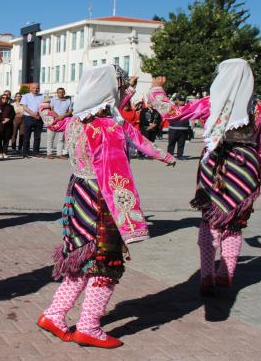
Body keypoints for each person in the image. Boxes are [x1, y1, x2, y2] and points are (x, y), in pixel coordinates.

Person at [37, 65, 175, 349]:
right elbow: (116, 177)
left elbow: (51, 120)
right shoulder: (108, 128)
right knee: (105, 262)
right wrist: (130, 220)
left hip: (77, 194)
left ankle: (54, 314)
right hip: (101, 199)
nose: (122, 91)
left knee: (80, 257)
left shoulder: (76, 121)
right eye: (119, 87)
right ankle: (88, 326)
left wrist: (45, 103)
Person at [148, 58, 261, 297]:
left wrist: (157, 90)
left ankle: (207, 274)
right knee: (235, 223)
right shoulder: (260, 108)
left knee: (210, 220)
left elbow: (175, 114)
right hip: (245, 167)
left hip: (215, 166)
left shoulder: (211, 103)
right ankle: (227, 273)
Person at [46, 88, 73, 159]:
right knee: (50, 138)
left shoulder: (68, 101)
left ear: (64, 93)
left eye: (62, 92)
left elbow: (70, 112)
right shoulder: (53, 100)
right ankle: (49, 154)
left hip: (63, 122)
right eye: (59, 92)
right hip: (53, 121)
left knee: (61, 139)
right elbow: (51, 109)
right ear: (57, 93)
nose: (60, 93)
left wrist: (63, 116)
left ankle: (59, 154)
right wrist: (57, 117)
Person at [20, 83, 44, 157]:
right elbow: (24, 107)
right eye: (34, 88)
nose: (36, 89)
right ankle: (25, 152)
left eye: (37, 88)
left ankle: (36, 152)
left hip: (39, 117)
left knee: (37, 136)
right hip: (28, 117)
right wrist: (33, 114)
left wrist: (39, 114)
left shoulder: (42, 96)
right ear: (30, 88)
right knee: (27, 136)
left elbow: (44, 107)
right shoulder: (25, 96)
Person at [0, 92, 15, 158]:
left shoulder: (10, 106)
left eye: (6, 98)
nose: (5, 99)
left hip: (8, 125)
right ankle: (0, 152)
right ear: (1, 98)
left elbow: (13, 114)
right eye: (3, 98)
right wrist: (2, 120)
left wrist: (8, 119)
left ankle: (5, 152)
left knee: (6, 139)